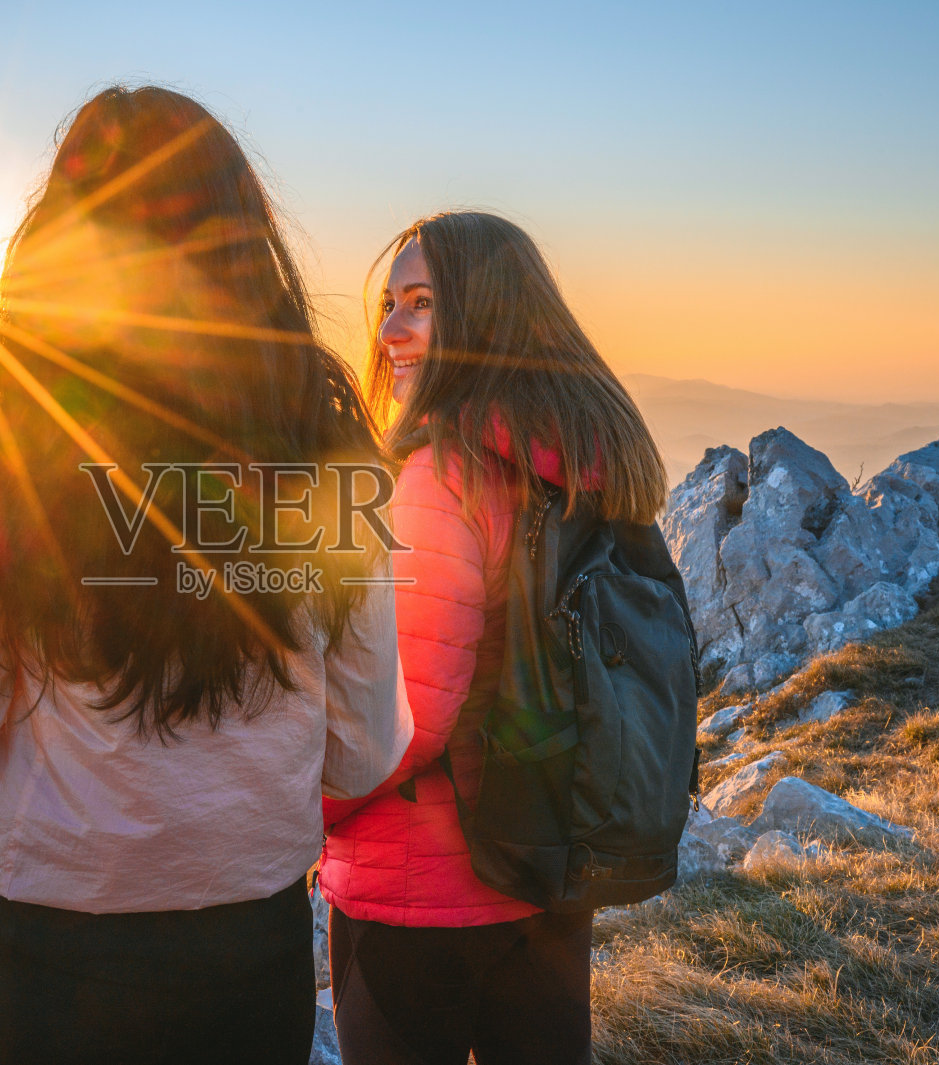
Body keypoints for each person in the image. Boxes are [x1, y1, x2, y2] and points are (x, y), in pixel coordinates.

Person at [0, 85, 413, 1065]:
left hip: (47, 940)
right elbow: (362, 754)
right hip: (248, 936)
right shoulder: (327, 452)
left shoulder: (0, 457)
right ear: (247, 255)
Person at [318, 211, 669, 1065]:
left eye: (422, 303)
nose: (390, 332)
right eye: (389, 305)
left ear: (485, 314)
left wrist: (300, 812)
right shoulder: (584, 469)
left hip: (419, 896)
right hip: (546, 872)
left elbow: (405, 722)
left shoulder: (439, 475)